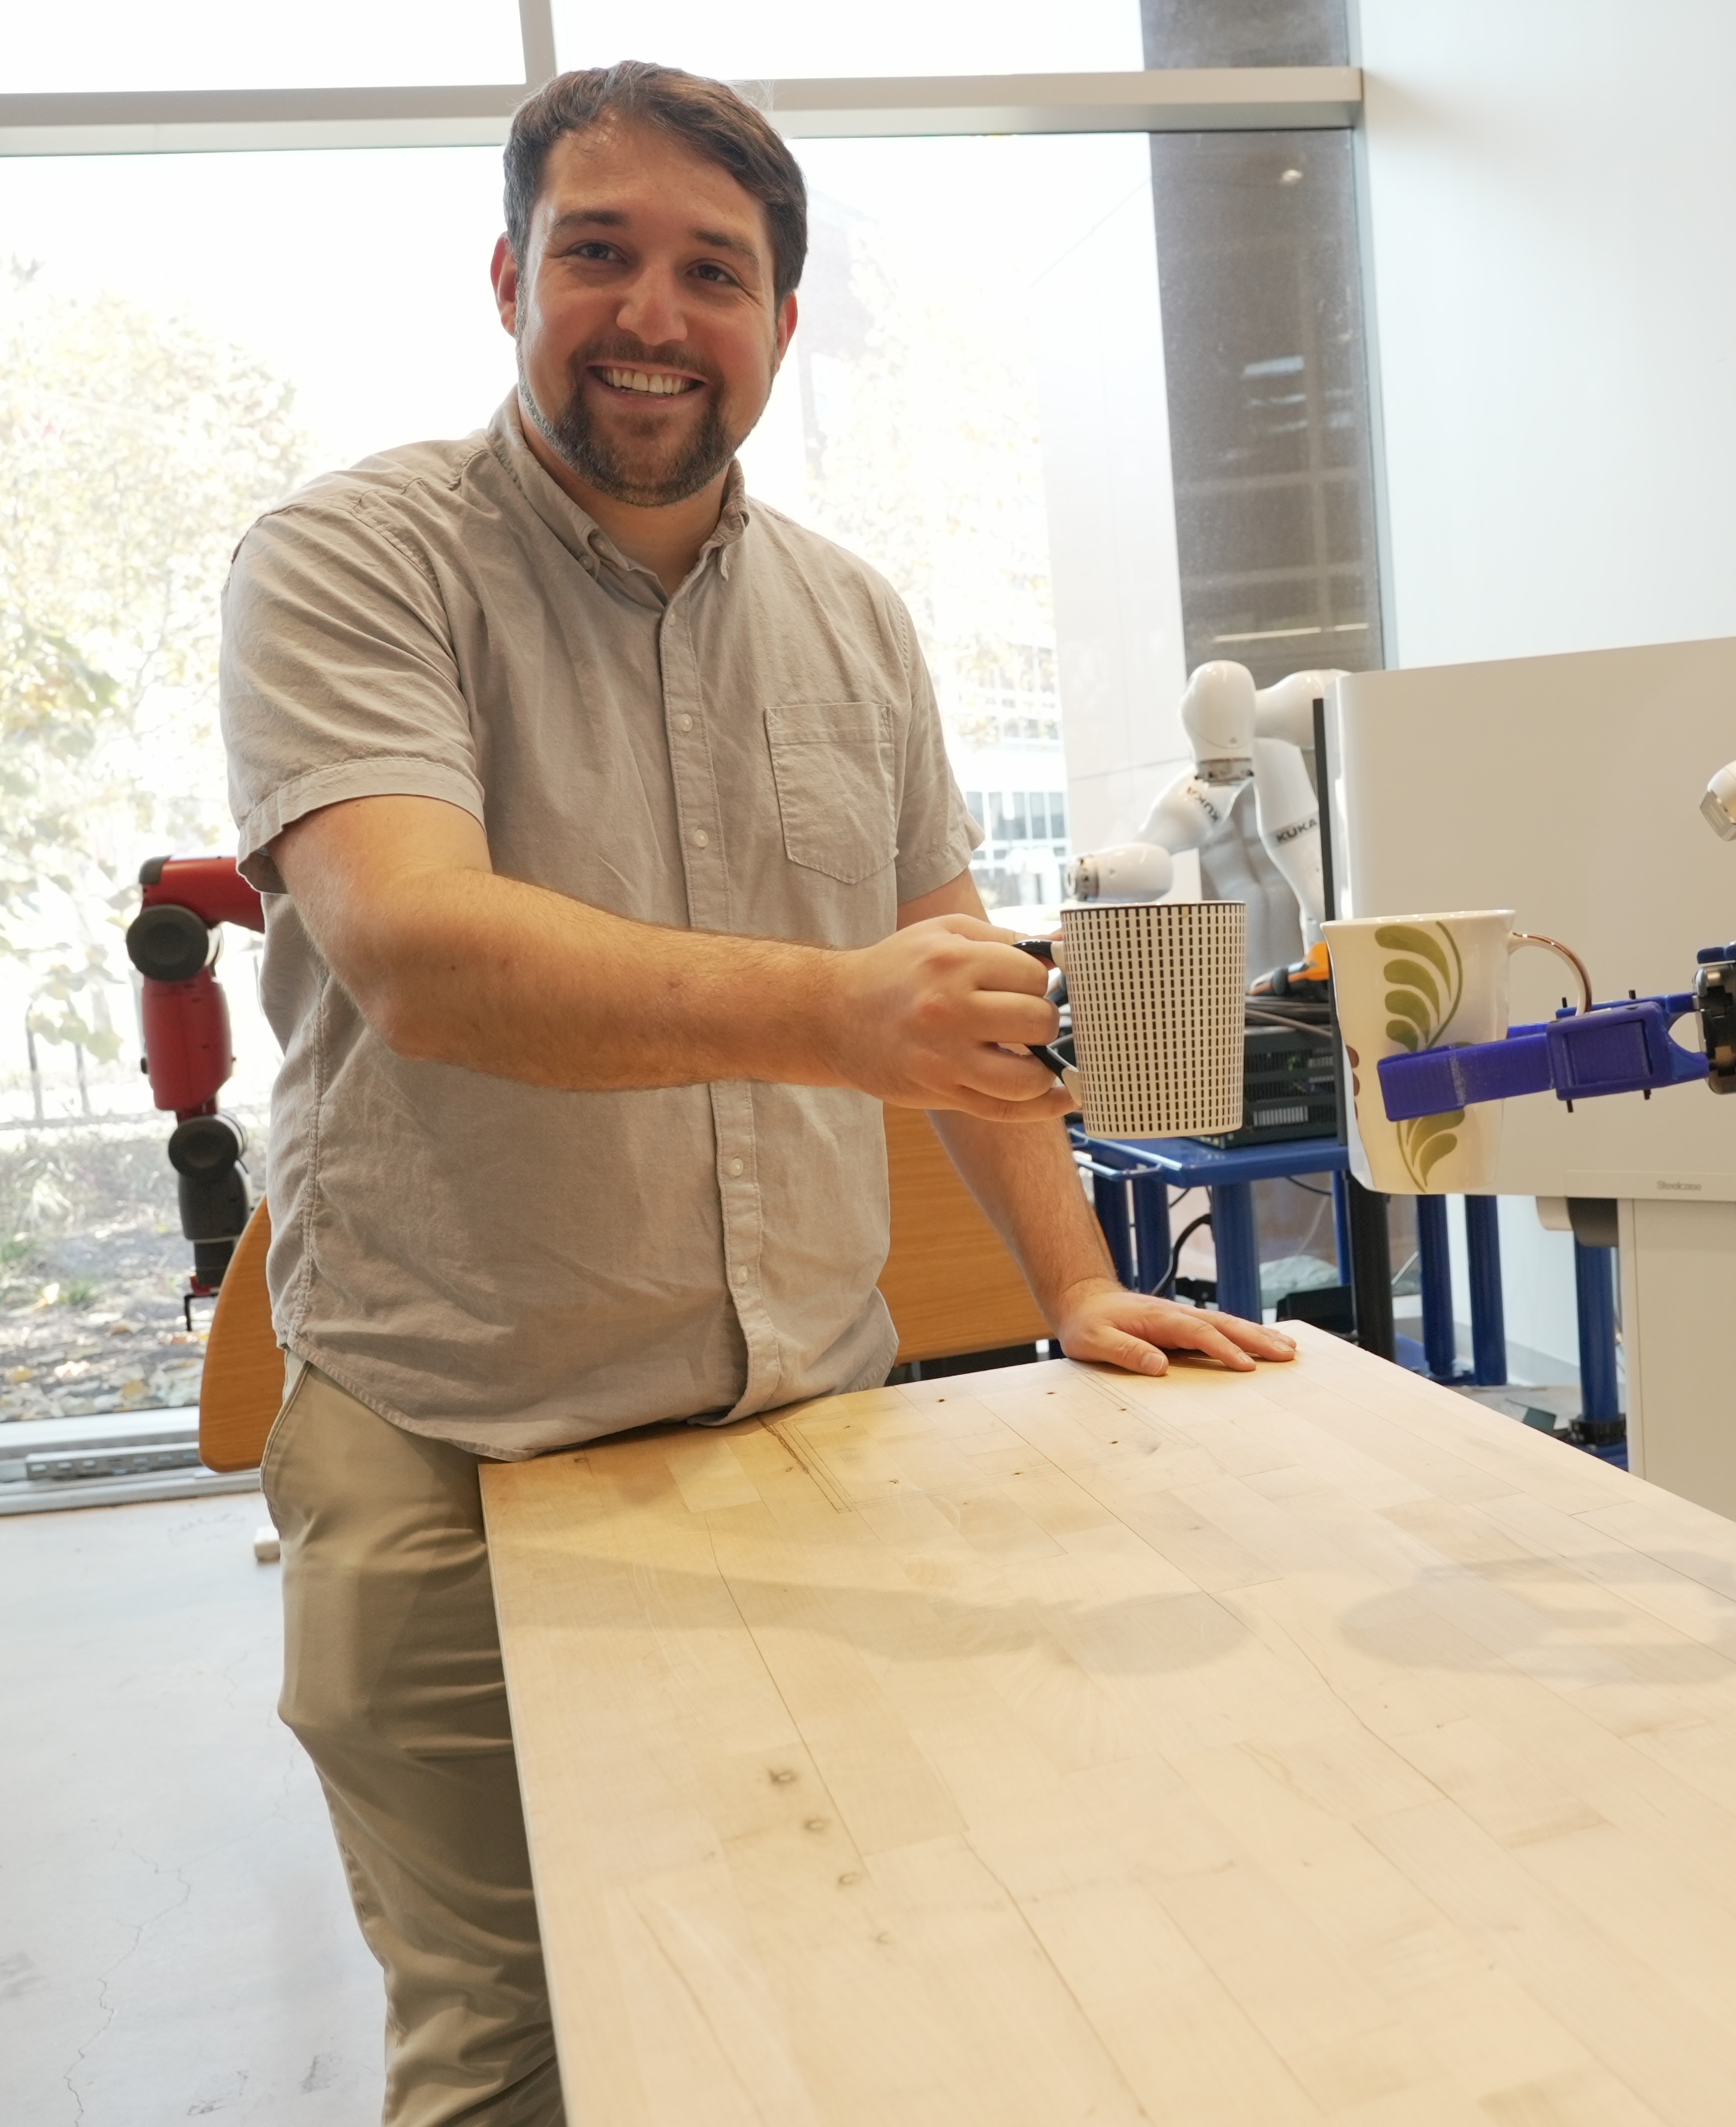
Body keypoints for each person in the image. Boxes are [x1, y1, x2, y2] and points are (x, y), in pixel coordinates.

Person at [219, 61, 1293, 2126]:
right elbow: (423, 954)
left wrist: (1072, 1287)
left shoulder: (852, 617)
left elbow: (959, 998)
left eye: (713, 271)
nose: (651, 313)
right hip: (457, 1440)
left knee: (832, 1982)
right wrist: (837, 1014)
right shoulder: (351, 563)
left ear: (779, 328)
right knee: (515, 2044)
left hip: (806, 1428)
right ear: (509, 274)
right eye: (599, 252)